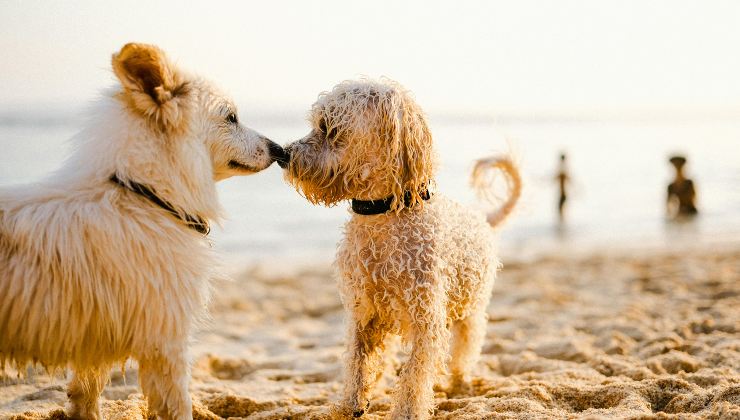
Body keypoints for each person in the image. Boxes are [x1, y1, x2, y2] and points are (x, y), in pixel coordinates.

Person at [555, 153, 569, 222]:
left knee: (560, 209)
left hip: (563, 194)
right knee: (560, 209)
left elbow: (555, 178)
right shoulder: (563, 169)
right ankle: (562, 223)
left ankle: (562, 223)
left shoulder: (562, 170)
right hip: (563, 194)